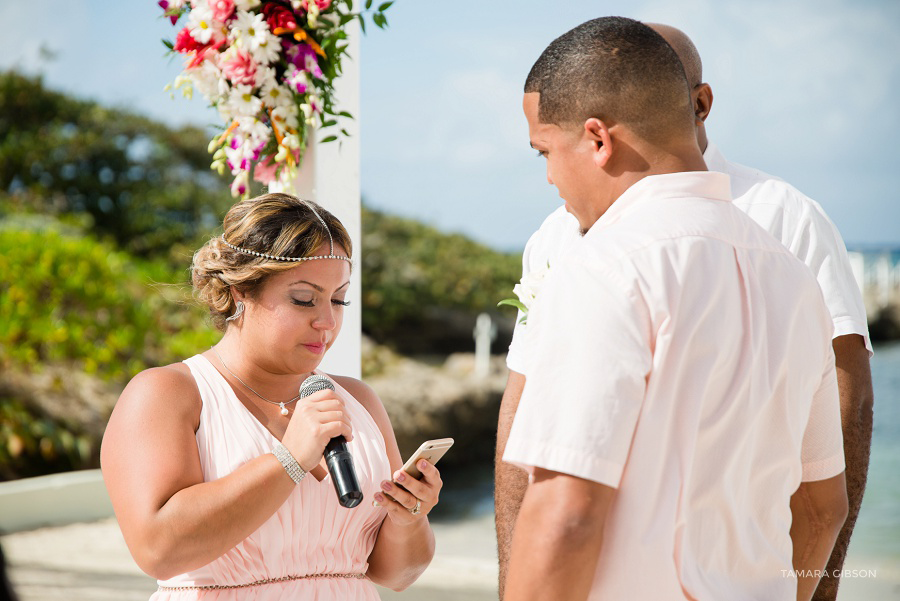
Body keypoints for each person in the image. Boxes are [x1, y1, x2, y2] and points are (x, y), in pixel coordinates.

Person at [495, 21, 874, 601]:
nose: (547, 175)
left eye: (545, 151)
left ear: (598, 139)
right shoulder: (793, 278)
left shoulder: (603, 266)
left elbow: (567, 514)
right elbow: (824, 506)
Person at [101, 193, 442, 599]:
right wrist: (290, 459)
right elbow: (158, 549)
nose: (327, 321)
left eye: (338, 299)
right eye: (303, 299)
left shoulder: (360, 401)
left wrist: (409, 517)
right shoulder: (166, 394)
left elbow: (395, 575)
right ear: (242, 290)